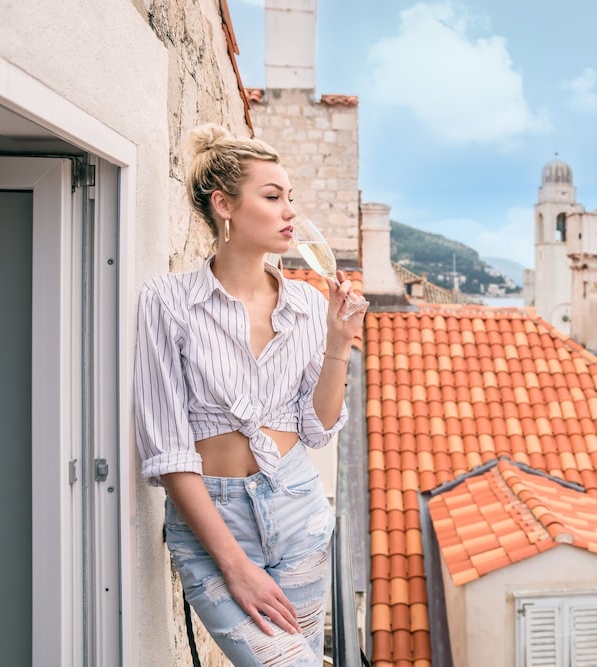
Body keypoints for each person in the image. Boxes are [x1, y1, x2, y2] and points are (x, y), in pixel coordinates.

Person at [134, 123, 366, 666]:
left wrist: (339, 342)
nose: (290, 212)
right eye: (273, 196)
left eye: (291, 198)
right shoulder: (167, 302)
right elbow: (169, 452)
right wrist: (236, 566)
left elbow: (318, 427)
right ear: (225, 206)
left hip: (299, 514)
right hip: (212, 527)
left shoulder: (308, 307)